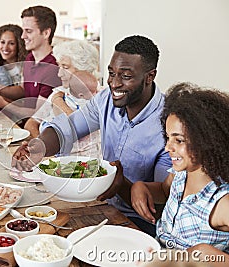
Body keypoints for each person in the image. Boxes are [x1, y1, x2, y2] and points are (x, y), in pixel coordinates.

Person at [12, 35, 172, 236]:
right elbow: (68, 128)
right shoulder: (106, 100)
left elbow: (160, 208)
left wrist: (121, 184)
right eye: (111, 73)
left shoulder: (169, 124)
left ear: (150, 76)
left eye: (126, 76)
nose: (114, 83)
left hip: (140, 227)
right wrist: (38, 147)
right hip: (101, 206)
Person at [131, 82, 229, 264]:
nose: (168, 147)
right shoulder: (180, 174)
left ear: (208, 141)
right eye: (168, 138)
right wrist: (141, 186)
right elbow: (164, 190)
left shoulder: (222, 203)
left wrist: (205, 254)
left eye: (179, 140)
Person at [0, 5, 61, 123]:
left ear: (46, 33)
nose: (22, 36)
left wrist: (4, 104)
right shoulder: (30, 58)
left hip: (39, 131)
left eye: (28, 31)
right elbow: (23, 89)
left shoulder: (54, 67)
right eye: (23, 30)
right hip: (24, 124)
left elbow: (38, 113)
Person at [24, 39, 100, 138]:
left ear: (84, 69)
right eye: (59, 66)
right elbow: (31, 123)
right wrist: (42, 145)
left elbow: (78, 128)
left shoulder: (101, 97)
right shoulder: (61, 91)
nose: (59, 74)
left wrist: (57, 101)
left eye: (65, 67)